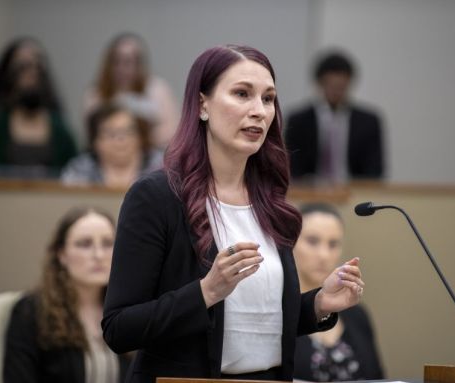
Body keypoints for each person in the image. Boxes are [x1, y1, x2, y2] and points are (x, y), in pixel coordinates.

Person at [102, 44, 366, 383]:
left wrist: (318, 305)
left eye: (268, 99)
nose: (259, 111)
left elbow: (257, 325)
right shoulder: (156, 197)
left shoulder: (270, 200)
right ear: (202, 105)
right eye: (242, 94)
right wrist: (206, 292)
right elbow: (119, 328)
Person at [3, 206, 131, 383]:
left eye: (108, 244)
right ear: (61, 254)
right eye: (85, 244)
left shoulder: (130, 309)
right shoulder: (30, 312)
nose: (99, 255)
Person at [293, 203, 384, 381]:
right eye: (312, 241)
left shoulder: (357, 315)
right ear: (291, 242)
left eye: (333, 244)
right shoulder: (281, 311)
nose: (323, 255)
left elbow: (378, 377)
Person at [0, 37, 77, 178]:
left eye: (36, 68)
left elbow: (73, 171)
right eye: (23, 67)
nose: (30, 74)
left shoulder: (59, 128)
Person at [285, 50, 384, 183]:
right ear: (320, 83)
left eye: (341, 87)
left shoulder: (369, 122)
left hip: (354, 193)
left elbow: (374, 171)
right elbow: (291, 167)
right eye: (331, 86)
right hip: (310, 192)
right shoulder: (299, 120)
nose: (337, 92)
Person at [85, 33, 178, 149]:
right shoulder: (96, 94)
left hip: (150, 155)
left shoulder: (157, 89)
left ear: (139, 64)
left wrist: (139, 141)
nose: (121, 68)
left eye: (128, 62)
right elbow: (91, 135)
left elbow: (172, 131)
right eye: (116, 61)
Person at [61, 104, 163, 188]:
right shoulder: (80, 169)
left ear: (140, 137)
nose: (121, 140)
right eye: (111, 134)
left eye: (128, 131)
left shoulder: (159, 166)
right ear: (95, 141)